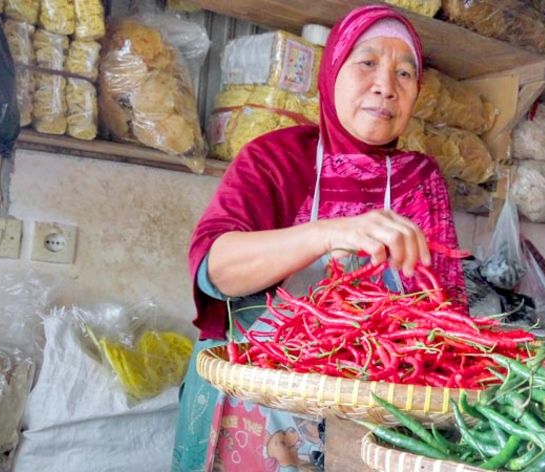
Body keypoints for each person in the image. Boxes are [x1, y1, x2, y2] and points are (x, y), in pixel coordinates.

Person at [172, 5, 466, 471]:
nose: (386, 86)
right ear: (332, 73)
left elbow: (446, 319)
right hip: (255, 408)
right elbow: (215, 270)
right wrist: (330, 233)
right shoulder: (276, 157)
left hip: (368, 413)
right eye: (366, 63)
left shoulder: (420, 179)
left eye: (405, 73)